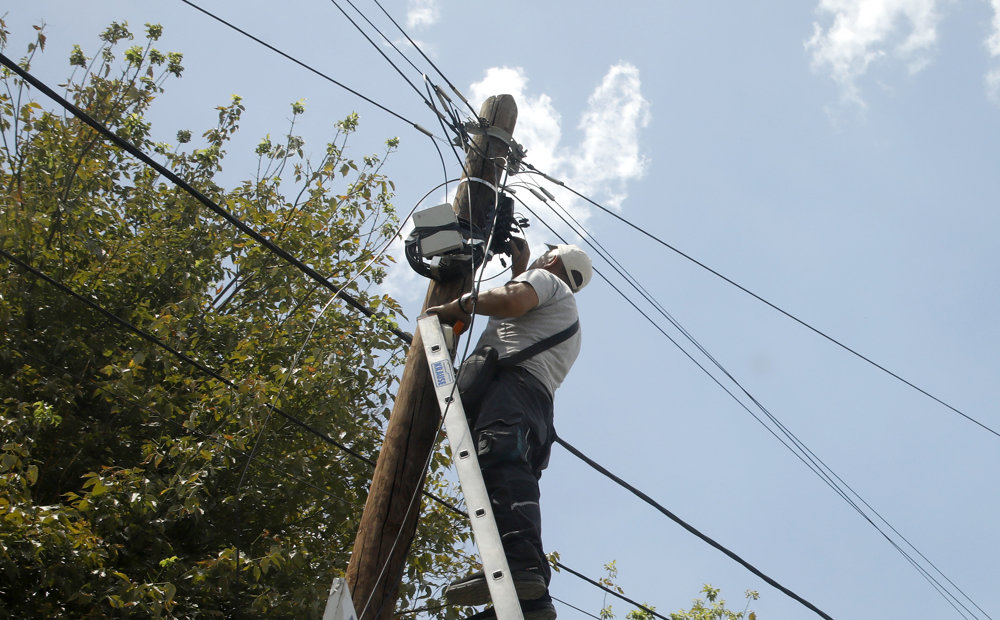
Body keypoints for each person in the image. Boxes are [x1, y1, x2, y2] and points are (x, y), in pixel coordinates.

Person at [427, 239, 593, 620]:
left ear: (552, 258)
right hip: (534, 409)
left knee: (500, 467)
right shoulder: (564, 312)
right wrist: (519, 269)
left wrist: (457, 306)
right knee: (502, 481)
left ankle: (522, 566)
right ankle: (530, 601)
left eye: (544, 255)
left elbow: (513, 301)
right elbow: (520, 315)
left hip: (511, 394)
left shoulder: (548, 282)